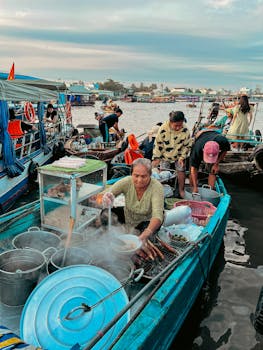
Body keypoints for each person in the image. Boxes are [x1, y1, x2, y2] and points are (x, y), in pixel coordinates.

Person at [102, 158, 164, 247]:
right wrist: (107, 197)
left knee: (144, 244)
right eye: (136, 175)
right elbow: (109, 192)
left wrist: (148, 231)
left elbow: (157, 215)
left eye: (144, 176)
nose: (139, 180)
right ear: (131, 174)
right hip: (129, 217)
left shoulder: (156, 187)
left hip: (147, 221)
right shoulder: (127, 181)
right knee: (105, 213)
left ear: (150, 174)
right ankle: (111, 239)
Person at [152, 111, 192, 198]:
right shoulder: (163, 129)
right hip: (165, 154)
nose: (178, 128)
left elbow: (187, 145)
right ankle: (163, 191)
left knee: (181, 170)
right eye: (176, 125)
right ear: (170, 122)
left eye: (180, 125)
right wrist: (157, 158)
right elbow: (158, 144)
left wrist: (182, 157)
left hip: (179, 154)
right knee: (163, 174)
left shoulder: (185, 130)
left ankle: (181, 190)